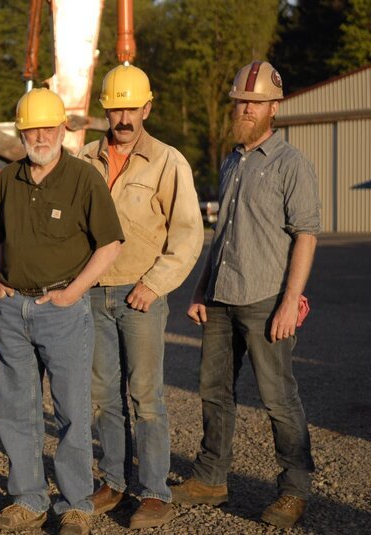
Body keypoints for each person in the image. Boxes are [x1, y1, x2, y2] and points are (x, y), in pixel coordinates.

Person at [172, 61, 320, 529]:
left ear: (274, 107)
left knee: (278, 398)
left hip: (265, 300)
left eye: (254, 103)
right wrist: (201, 288)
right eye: (240, 101)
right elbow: (224, 235)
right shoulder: (232, 159)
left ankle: (294, 490)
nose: (245, 109)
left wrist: (288, 302)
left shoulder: (291, 164)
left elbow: (306, 236)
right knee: (214, 392)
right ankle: (211, 478)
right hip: (221, 298)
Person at [0, 88, 123, 535]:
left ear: (63, 129)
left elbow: (110, 244)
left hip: (63, 308)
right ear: (21, 132)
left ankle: (76, 503)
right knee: (15, 408)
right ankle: (28, 499)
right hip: (11, 310)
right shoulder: (8, 178)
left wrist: (73, 293)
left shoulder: (84, 179)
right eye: (32, 129)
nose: (40, 136)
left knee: (70, 412)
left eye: (48, 127)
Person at [77, 64, 203, 529]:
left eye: (132, 108)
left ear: (148, 107)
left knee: (146, 397)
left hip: (141, 294)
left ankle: (153, 491)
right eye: (116, 109)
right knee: (105, 396)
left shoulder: (169, 161)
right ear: (105, 111)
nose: (124, 117)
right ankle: (113, 482)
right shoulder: (85, 159)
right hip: (93, 293)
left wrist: (155, 284)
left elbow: (188, 233)